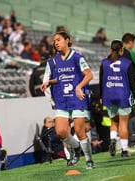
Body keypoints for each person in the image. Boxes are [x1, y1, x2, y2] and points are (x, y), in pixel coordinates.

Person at [40, 31, 94, 169]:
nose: (56, 42)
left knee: (80, 132)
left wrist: (79, 87)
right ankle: (76, 148)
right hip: (62, 100)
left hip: (77, 99)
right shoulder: (53, 61)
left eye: (58, 40)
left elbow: (89, 75)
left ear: (67, 40)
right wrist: (48, 82)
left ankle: (89, 160)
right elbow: (61, 78)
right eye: (54, 40)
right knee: (61, 132)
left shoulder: (77, 57)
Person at [99, 40, 135, 157]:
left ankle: (112, 139)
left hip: (109, 96)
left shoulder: (104, 63)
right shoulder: (127, 63)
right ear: (121, 50)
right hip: (123, 96)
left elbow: (101, 82)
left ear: (111, 50)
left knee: (114, 122)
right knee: (123, 123)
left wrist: (101, 96)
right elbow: (133, 83)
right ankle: (125, 150)